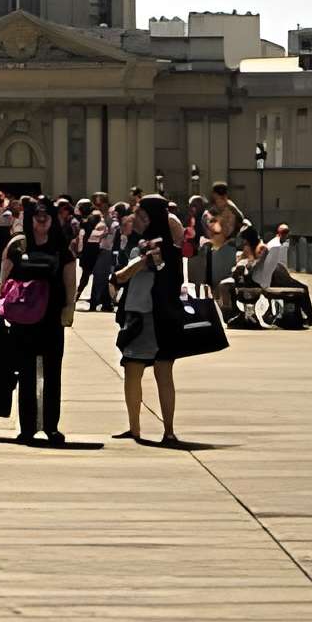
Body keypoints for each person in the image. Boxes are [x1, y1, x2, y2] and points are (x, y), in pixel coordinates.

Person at [110, 191, 191, 446]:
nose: (137, 218)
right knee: (164, 373)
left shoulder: (152, 246)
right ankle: (167, 430)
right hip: (166, 315)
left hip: (145, 316)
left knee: (133, 370)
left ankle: (136, 429)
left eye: (142, 215)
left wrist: (118, 275)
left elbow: (125, 275)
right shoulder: (171, 247)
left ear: (152, 217)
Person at [0, 195, 75, 446]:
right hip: (25, 318)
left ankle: (51, 426)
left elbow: (69, 280)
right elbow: (3, 278)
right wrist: (1, 301)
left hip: (51, 317)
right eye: (37, 217)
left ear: (52, 220)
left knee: (52, 372)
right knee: (27, 372)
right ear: (30, 220)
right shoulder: (19, 245)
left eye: (46, 217)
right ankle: (27, 426)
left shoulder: (62, 248)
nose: (42, 222)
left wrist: (69, 308)